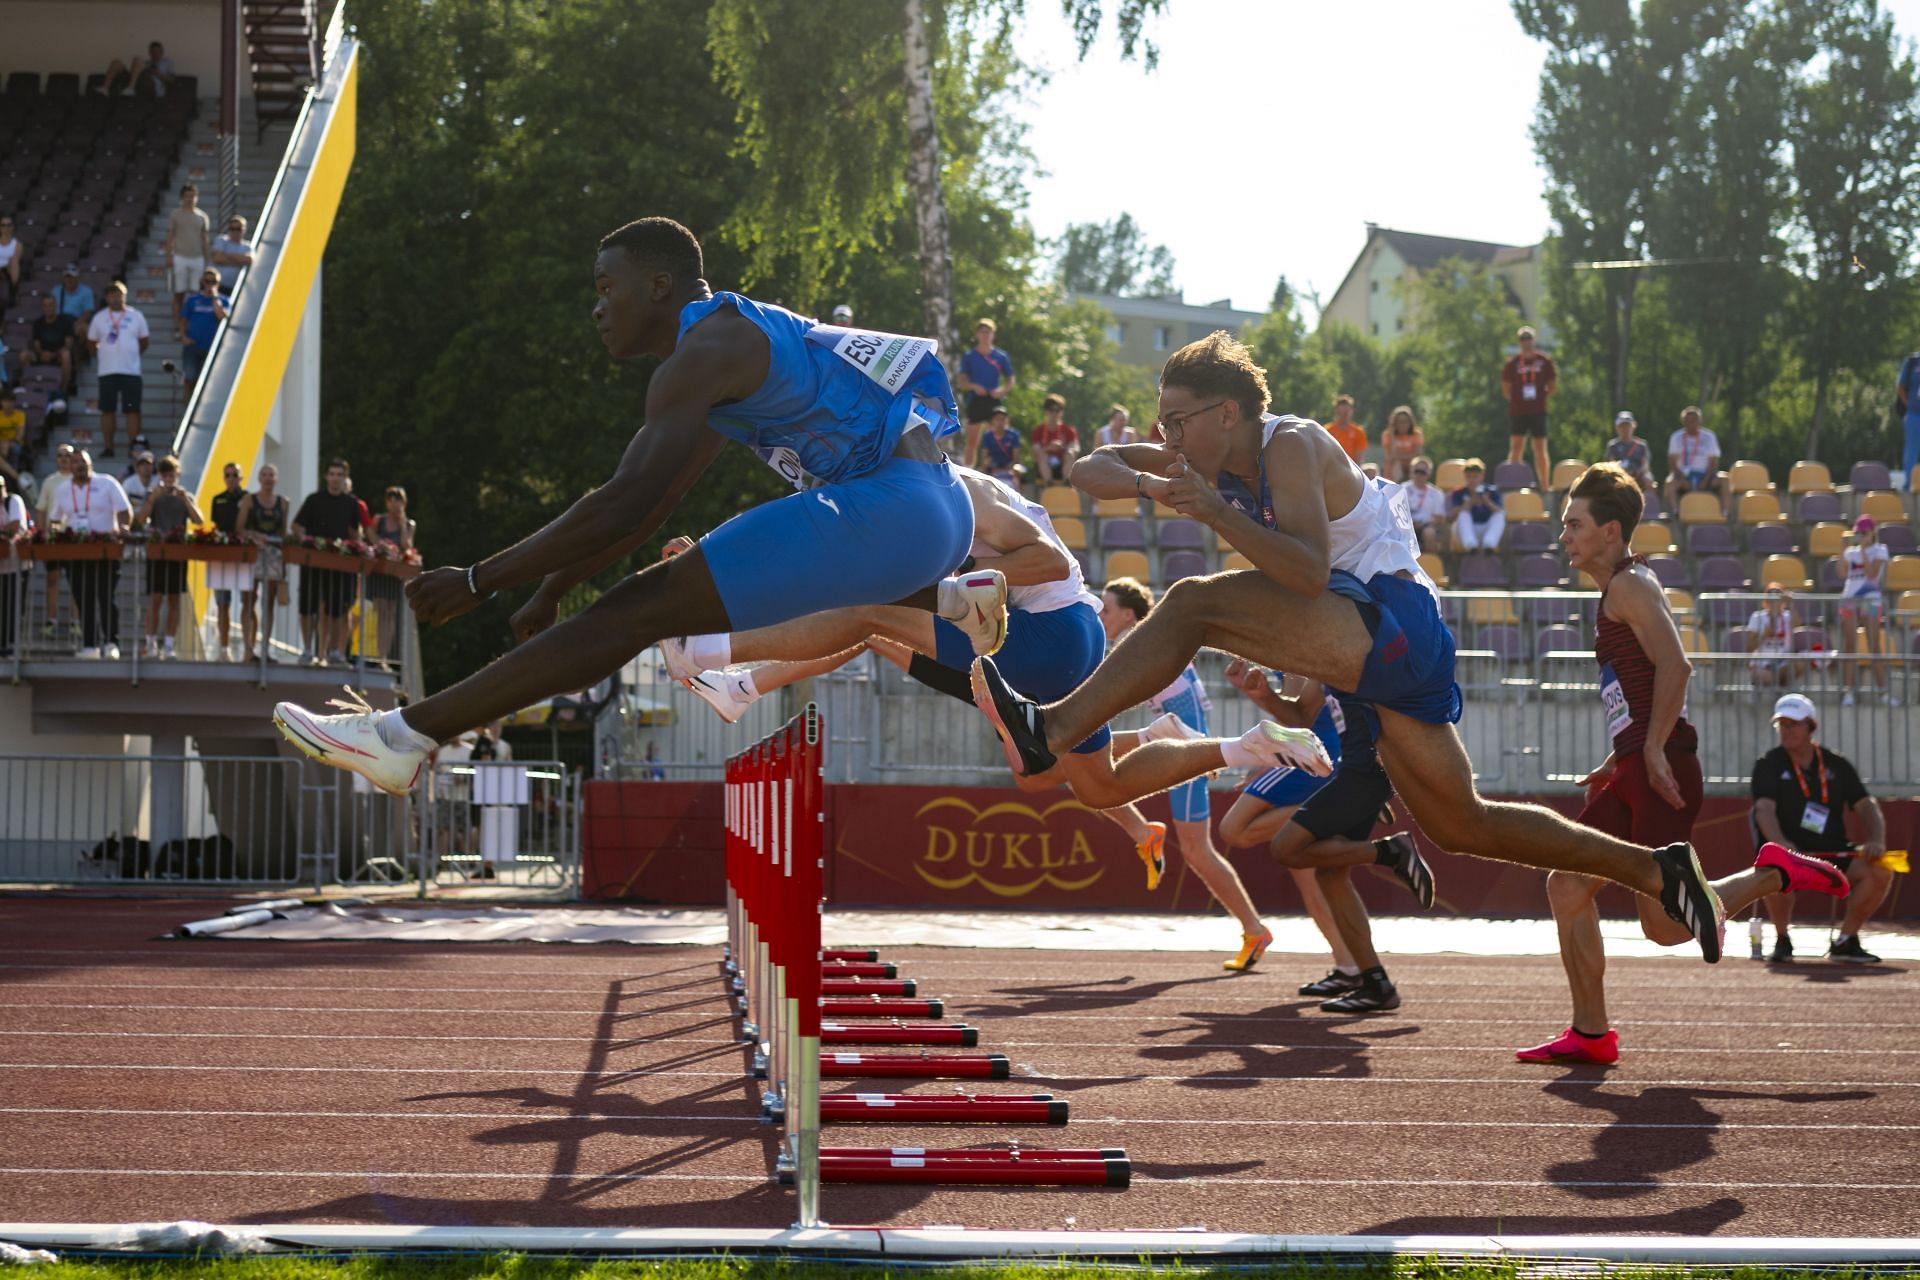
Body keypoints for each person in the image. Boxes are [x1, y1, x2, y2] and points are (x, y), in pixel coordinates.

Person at [970, 329, 1728, 961]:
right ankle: (1657, 869)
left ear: (1227, 413)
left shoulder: (1290, 444)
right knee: (1465, 824)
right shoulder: (1199, 457)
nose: (1166, 435)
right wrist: (1153, 477)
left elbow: (1302, 571)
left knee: (1194, 604)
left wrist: (1213, 511)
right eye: (1160, 423)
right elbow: (1086, 468)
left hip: (1391, 619)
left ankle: (1055, 729)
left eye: (1177, 420)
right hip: (1363, 637)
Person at [273, 216, 997, 795]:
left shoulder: (706, 353)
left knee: (636, 612)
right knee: (632, 610)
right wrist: (554, 588)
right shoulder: (735, 346)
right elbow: (651, 506)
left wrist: (478, 581)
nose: (596, 307)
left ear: (657, 285)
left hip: (891, 511)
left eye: (605, 288)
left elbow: (626, 503)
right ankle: (951, 598)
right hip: (938, 511)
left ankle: (402, 737)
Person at [666, 473, 1317, 862]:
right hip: (1058, 639)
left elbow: (1052, 564)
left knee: (871, 617)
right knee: (1095, 788)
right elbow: (809, 569)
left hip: (1046, 636)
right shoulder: (906, 501)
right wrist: (716, 561)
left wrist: (954, 588)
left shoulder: (956, 491)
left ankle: (718, 660)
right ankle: (1244, 746)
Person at [1518, 464, 1849, 1065]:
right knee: (1566, 884)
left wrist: (1647, 751)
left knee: (1665, 928)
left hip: (1661, 771)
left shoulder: (1628, 587)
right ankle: (1591, 1033)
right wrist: (1617, 758)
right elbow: (1642, 692)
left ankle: (1771, 874)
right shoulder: (1619, 588)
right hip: (1637, 769)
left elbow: (1678, 666)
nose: (1562, 535)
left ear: (1611, 531)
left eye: (1574, 524)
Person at [1099, 579, 1279, 972]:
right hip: (1182, 738)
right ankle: (1145, 833)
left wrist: (1201, 753)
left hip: (1184, 745)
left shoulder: (1139, 644)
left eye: (1106, 609)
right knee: (1091, 776)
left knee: (1197, 850)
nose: (1100, 615)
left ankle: (1254, 930)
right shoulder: (1144, 641)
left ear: (1128, 615)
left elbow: (1110, 698)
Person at [1215, 657, 1379, 989]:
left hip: (1313, 755)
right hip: (1317, 751)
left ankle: (1322, 805)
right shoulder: (1292, 643)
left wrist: (1270, 753)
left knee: (1233, 830)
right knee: (1310, 877)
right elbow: (1297, 715)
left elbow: (1300, 721)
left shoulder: (1298, 644)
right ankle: (1349, 967)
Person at [1267, 695, 1433, 1013]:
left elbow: (1398, 692)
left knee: (1285, 848)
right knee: (1330, 876)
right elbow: (1303, 715)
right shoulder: (1324, 662)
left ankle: (1389, 852)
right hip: (1356, 774)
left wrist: (1396, 750)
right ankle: (1375, 983)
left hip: (1364, 776)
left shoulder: (1354, 652)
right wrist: (1261, 694)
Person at [1752, 694, 1893, 964]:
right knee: (1771, 869)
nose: (1787, 730)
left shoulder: (1836, 764)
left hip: (1834, 854)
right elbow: (1764, 811)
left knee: (1881, 868)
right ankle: (1782, 939)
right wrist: (1781, 843)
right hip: (1790, 854)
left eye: (1794, 724)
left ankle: (1845, 941)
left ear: (1810, 726)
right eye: (1782, 724)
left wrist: (1877, 840)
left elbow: (1867, 805)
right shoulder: (1768, 764)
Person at [47, 450, 131, 658]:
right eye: (75, 462)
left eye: (83, 462)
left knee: (106, 597)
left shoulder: (107, 483)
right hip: (76, 551)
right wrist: (57, 530)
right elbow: (55, 518)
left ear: (90, 464)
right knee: (83, 598)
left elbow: (124, 510)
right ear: (70, 467)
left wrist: (122, 528)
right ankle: (89, 644)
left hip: (105, 550)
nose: (79, 465)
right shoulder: (62, 489)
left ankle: (112, 642)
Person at [292, 459, 366, 665]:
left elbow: (355, 534)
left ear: (345, 478)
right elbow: (297, 527)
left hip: (340, 566)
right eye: (332, 474)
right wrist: (306, 540)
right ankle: (308, 649)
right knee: (307, 607)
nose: (335, 479)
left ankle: (335, 651)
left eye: (339, 475)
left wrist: (358, 547)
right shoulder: (314, 500)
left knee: (338, 609)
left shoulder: (351, 504)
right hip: (313, 563)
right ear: (326, 477)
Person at [132, 455, 203, 659]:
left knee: (174, 600)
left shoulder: (185, 495)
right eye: (165, 476)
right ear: (160, 476)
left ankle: (169, 645)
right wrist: (153, 499)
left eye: (172, 475)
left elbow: (199, 520)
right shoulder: (153, 494)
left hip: (177, 554)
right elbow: (139, 521)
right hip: (157, 553)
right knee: (155, 598)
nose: (169, 480)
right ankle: (151, 643)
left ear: (178, 475)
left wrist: (185, 501)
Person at [85, 282, 149, 459]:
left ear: (125, 295)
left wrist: (131, 354)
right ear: (107, 298)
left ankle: (133, 447)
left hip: (131, 371)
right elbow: (91, 342)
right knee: (107, 410)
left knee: (132, 410)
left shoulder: (136, 316)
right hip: (107, 371)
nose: (116, 297)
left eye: (119, 294)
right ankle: (108, 446)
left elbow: (144, 341)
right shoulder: (99, 317)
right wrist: (102, 354)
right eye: (112, 294)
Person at [1837, 516, 1895, 706]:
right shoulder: (1850, 552)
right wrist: (1841, 550)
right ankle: (1847, 693)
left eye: (1864, 533)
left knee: (1874, 646)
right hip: (1850, 600)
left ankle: (1883, 693)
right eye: (1858, 533)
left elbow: (1871, 574)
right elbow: (1842, 574)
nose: (1861, 536)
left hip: (1870, 601)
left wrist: (1862, 550)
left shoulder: (1880, 550)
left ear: (1872, 533)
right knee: (1850, 646)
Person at [236, 463, 290, 660]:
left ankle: (265, 648)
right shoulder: (249, 500)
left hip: (274, 556)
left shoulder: (283, 502)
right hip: (253, 555)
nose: (268, 479)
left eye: (271, 475)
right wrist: (255, 536)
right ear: (259, 478)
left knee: (269, 602)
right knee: (248, 600)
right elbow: (239, 528)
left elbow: (283, 532)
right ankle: (248, 649)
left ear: (275, 479)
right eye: (264, 475)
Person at [955, 318, 1014, 471]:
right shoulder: (970, 356)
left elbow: (1010, 379)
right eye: (982, 332)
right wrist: (974, 386)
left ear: (993, 334)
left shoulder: (1001, 356)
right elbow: (962, 381)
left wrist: (1001, 390)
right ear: (977, 334)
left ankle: (999, 470)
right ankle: (968, 471)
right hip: (976, 400)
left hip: (994, 400)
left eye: (988, 332)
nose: (985, 335)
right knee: (972, 440)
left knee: (999, 437)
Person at [206, 462, 251, 660]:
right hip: (222, 556)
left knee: (248, 603)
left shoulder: (249, 499)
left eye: (235, 475)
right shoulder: (218, 499)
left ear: (241, 477)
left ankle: (248, 649)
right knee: (222, 603)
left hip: (243, 557)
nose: (231, 478)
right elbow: (216, 526)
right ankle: (224, 649)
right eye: (228, 475)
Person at [1501, 325, 1555, 487]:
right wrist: (1518, 400)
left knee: (1540, 448)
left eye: (1528, 338)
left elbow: (1552, 385)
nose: (1526, 342)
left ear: (1534, 340)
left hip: (1538, 410)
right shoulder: (1513, 363)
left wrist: (1541, 398)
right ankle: (1513, 482)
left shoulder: (1544, 361)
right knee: (1516, 447)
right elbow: (1505, 388)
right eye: (1522, 338)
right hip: (1518, 411)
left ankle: (1545, 484)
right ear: (1519, 342)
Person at [367, 485, 417, 661]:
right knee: (381, 613)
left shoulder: (409, 524)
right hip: (381, 572)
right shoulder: (379, 520)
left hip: (396, 575)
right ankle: (378, 654)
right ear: (387, 502)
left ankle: (385, 656)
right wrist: (384, 549)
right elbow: (372, 538)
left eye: (399, 500)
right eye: (392, 500)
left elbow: (407, 545)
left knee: (390, 614)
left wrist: (402, 524)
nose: (395, 503)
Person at [35, 445, 73, 639]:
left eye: (68, 455)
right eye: (60, 456)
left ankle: (78, 622)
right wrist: (41, 534)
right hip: (54, 539)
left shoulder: (80, 480)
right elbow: (41, 509)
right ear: (56, 459)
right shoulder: (50, 481)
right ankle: (52, 621)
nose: (64, 459)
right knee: (52, 580)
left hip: (76, 539)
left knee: (77, 582)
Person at [165, 185, 212, 335]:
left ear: (196, 197)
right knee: (179, 292)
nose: (190, 199)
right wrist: (168, 255)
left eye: (193, 196)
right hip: (180, 256)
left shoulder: (202, 216)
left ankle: (189, 325)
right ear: (182, 197)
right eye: (187, 196)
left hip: (197, 258)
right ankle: (178, 326)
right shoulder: (176, 215)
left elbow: (204, 239)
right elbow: (171, 235)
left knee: (194, 293)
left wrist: (207, 259)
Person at [1664, 406, 1725, 513]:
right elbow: (1672, 462)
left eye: (1693, 421)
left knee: (1725, 479)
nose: (1690, 423)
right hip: (1683, 475)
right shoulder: (1676, 437)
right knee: (1669, 482)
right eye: (1687, 421)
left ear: (1699, 421)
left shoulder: (1709, 437)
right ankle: (1675, 511)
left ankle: (1725, 512)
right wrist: (1682, 478)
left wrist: (1706, 479)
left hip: (1706, 475)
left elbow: (1714, 461)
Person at [179, 267, 230, 390]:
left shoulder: (224, 300)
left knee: (207, 380)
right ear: (202, 282)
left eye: (214, 282)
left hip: (212, 346)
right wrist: (183, 336)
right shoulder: (193, 300)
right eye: (207, 281)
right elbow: (183, 320)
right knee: (189, 378)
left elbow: (222, 316)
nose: (210, 284)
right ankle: (186, 404)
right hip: (193, 345)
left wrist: (215, 298)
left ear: (218, 283)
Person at [1745, 587, 1799, 689]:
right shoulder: (1757, 617)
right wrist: (1765, 635)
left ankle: (1780, 687)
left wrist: (1791, 605)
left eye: (1778, 601)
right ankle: (1778, 688)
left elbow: (1798, 628)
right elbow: (1749, 648)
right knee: (1768, 677)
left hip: (1782, 663)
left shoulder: (1788, 616)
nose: (1775, 604)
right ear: (1766, 602)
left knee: (1799, 664)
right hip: (1762, 664)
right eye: (1771, 601)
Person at [27, 294, 78, 397]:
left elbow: (68, 344)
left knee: (66, 355)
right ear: (42, 307)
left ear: (55, 306)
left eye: (50, 305)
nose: (48, 308)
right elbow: (36, 344)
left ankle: (63, 389)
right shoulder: (38, 323)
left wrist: (53, 355)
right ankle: (30, 388)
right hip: (42, 354)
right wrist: (41, 353)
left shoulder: (65, 321)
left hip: (58, 355)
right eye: (45, 305)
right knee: (24, 355)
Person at [1450, 458, 1504, 551]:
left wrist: (1487, 502)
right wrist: (1470, 503)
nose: (1472, 480)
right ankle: (1471, 545)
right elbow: (1453, 515)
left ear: (1482, 476)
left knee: (1500, 515)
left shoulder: (1492, 490)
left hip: (1486, 529)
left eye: (1475, 476)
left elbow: (1499, 510)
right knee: (1463, 514)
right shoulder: (1459, 492)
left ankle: (1489, 544)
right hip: (1467, 531)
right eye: (1469, 476)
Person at [0, 471, 25, 658]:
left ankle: (11, 643)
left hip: (15, 564)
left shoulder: (13, 501)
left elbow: (15, 526)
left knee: (12, 605)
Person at [1401, 456, 1448, 555]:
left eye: (1423, 472)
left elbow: (1440, 518)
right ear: (1411, 471)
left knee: (1429, 533)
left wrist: (1423, 523)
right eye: (1416, 471)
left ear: (1429, 474)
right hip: (1405, 527)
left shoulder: (1436, 493)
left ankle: (1429, 564)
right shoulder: (1402, 489)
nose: (1419, 475)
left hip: (1426, 526)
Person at [1031, 394, 1080, 486]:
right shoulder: (1038, 430)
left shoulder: (1069, 430)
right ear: (1046, 412)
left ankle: (1067, 483)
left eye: (1058, 410)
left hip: (1063, 465)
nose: (1054, 414)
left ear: (1062, 412)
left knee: (1070, 454)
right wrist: (1049, 448)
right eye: (1051, 410)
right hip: (1044, 467)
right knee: (1042, 455)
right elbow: (1036, 451)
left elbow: (1075, 447)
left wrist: (1064, 448)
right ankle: (1049, 484)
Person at [976, 406, 1025, 488]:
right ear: (992, 421)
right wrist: (987, 463)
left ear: (1007, 420)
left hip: (1009, 470)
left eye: (1003, 419)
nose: (1000, 422)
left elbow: (1016, 458)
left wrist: (1011, 466)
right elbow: (984, 459)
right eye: (997, 419)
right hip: (992, 471)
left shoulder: (1014, 435)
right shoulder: (987, 436)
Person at [1378, 405, 1424, 483]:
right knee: (1396, 465)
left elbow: (1417, 454)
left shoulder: (1417, 433)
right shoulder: (1387, 435)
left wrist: (1399, 456)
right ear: (1394, 423)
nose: (1403, 424)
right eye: (1399, 421)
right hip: (1395, 466)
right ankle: (1396, 486)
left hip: (1411, 465)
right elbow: (1390, 456)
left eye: (1406, 421)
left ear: (1410, 422)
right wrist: (1392, 435)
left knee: (1418, 464)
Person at [211, 215, 254, 292]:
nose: (235, 232)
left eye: (238, 229)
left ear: (244, 229)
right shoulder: (221, 240)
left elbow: (249, 260)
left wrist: (226, 255)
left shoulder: (248, 246)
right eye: (232, 229)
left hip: (235, 290)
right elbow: (218, 258)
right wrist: (239, 261)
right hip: (217, 287)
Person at [1324, 394, 1366, 463]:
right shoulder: (1327, 430)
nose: (1343, 416)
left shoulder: (1358, 432)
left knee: (1372, 469)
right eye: (1340, 413)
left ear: (1352, 411)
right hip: (1332, 466)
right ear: (1336, 412)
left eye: (1346, 413)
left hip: (1352, 467)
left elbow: (1359, 458)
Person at [0, 387, 23, 478]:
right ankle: (16, 477)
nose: (8, 404)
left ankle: (9, 475)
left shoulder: (20, 415)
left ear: (14, 402)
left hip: (14, 442)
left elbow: (20, 435)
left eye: (10, 401)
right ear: (1, 402)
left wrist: (8, 443)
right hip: (1, 443)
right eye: (5, 401)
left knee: (15, 449)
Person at [0, 215, 20, 308]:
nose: (6, 228)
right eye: (3, 225)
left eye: (8, 225)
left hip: (7, 280)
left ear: (13, 227)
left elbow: (14, 271)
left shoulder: (17, 245)